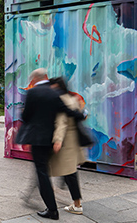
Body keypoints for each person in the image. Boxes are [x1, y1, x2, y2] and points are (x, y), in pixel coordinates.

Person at [16, 68, 85, 220]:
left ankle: (52, 209)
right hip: (50, 139)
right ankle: (55, 201)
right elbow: (66, 111)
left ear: (35, 79)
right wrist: (81, 115)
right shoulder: (55, 92)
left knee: (41, 172)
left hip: (37, 139)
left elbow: (26, 116)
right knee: (45, 171)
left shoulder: (33, 92)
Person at [48, 77, 86, 215]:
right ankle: (74, 202)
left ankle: (77, 205)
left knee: (69, 173)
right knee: (68, 172)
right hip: (73, 141)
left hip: (65, 143)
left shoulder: (61, 100)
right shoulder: (72, 98)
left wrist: (57, 140)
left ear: (56, 86)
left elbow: (62, 122)